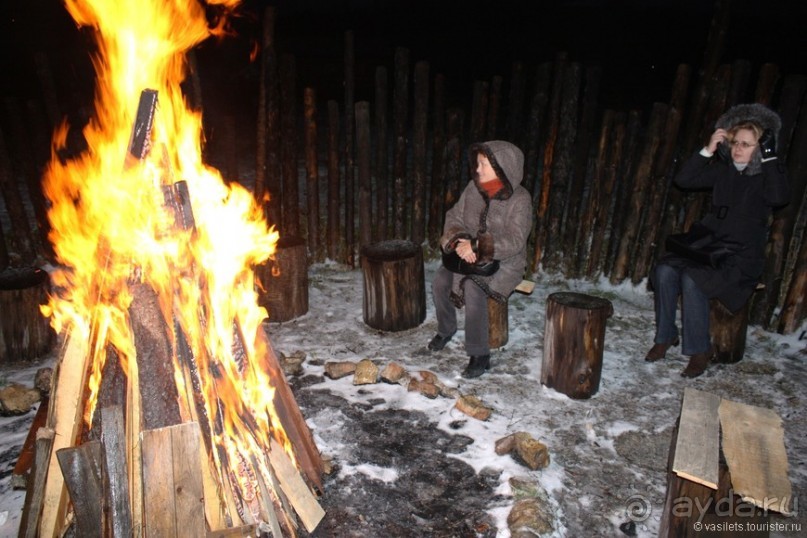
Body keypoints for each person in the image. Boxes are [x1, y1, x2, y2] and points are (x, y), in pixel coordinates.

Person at [645, 103, 790, 378]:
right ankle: (665, 336)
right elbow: (684, 179)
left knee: (692, 279)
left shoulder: (765, 177)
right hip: (710, 248)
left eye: (747, 144)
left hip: (740, 256)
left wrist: (770, 157)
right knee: (664, 271)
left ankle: (700, 350)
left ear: (760, 147)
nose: (738, 149)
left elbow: (779, 197)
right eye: (735, 142)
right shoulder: (724, 171)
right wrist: (707, 150)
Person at [428, 140, 533, 378]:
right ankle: (446, 328)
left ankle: (480, 353)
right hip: (468, 255)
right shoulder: (473, 188)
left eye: (483, 164)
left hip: (505, 263)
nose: (478, 169)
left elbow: (515, 240)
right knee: (440, 282)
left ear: (502, 166)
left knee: (474, 288)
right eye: (477, 163)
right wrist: (459, 240)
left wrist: (477, 246)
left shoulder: (520, 200)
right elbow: (454, 215)